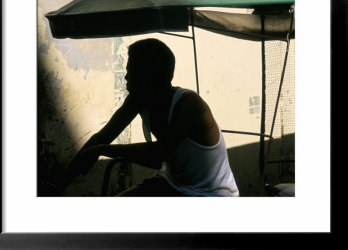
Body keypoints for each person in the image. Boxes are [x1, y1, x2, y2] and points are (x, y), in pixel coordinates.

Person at [57, 38, 239, 197]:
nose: (126, 77)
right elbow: (103, 136)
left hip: (211, 194)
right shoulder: (139, 99)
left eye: (132, 72)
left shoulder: (190, 105)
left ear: (149, 77)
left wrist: (103, 150)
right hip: (171, 184)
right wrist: (57, 186)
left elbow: (158, 154)